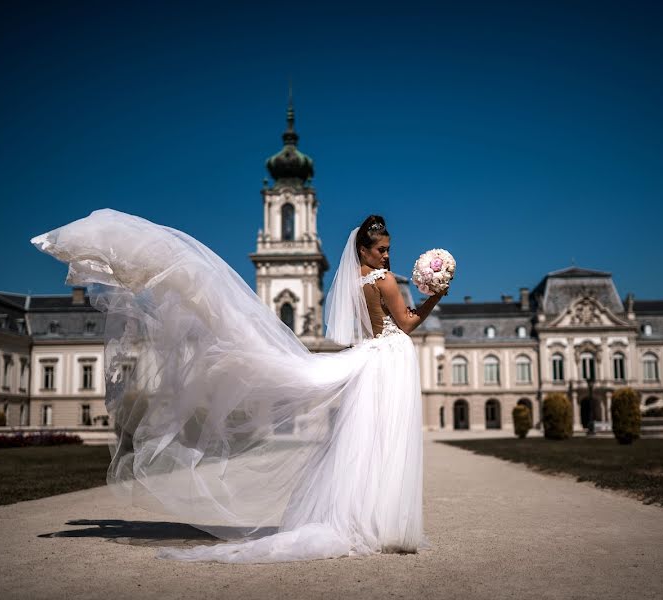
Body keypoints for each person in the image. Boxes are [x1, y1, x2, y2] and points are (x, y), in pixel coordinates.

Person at [30, 209, 448, 563]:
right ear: (364, 249)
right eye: (381, 250)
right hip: (388, 359)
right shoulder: (387, 282)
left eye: (388, 249)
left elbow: (366, 326)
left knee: (365, 444)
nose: (387, 255)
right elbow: (407, 324)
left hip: (373, 356)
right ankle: (381, 522)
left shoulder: (358, 282)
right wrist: (435, 295)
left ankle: (364, 520)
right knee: (384, 443)